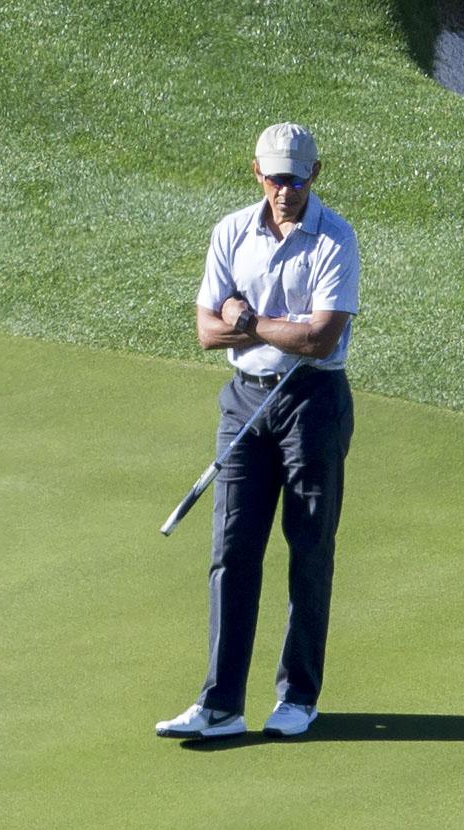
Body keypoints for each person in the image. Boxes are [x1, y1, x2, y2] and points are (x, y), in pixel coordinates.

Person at [156, 122, 359, 739]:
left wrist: (249, 317)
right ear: (258, 173)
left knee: (308, 546)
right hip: (244, 400)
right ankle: (221, 703)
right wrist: (266, 327)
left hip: (313, 401)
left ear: (314, 176)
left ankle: (297, 695)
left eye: (296, 179)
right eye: (276, 178)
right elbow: (206, 330)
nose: (286, 190)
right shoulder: (230, 231)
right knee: (233, 549)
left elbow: (319, 338)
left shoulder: (335, 239)